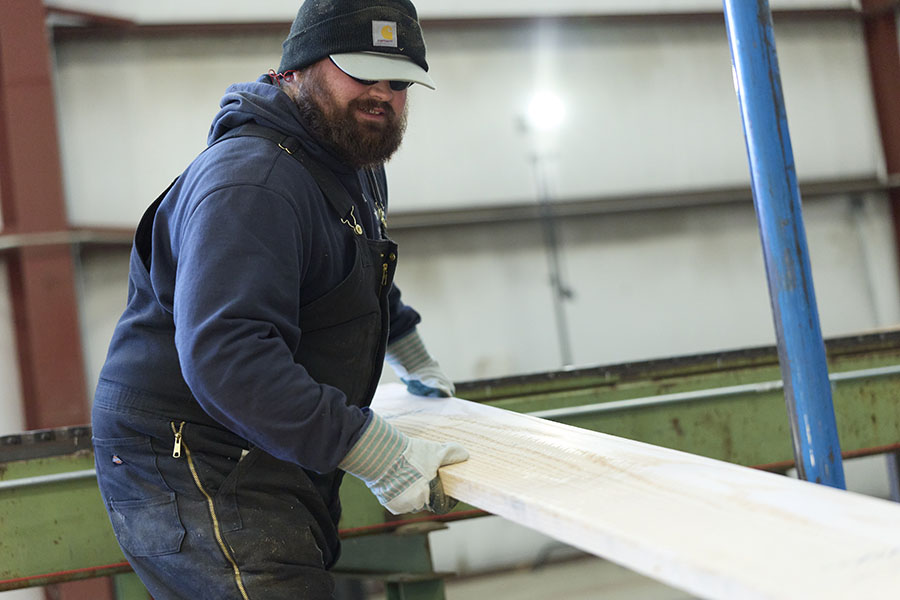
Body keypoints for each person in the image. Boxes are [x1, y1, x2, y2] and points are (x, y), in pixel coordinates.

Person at [90, 1, 468, 598]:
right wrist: (375, 452)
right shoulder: (254, 180)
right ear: (297, 68)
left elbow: (351, 269)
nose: (383, 95)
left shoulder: (347, 157)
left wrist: (410, 351)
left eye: (399, 82)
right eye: (362, 72)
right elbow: (228, 355)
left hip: (261, 440)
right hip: (197, 455)